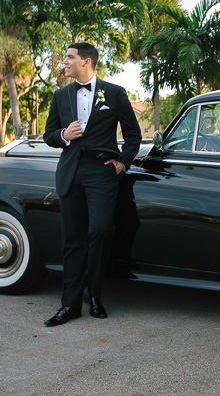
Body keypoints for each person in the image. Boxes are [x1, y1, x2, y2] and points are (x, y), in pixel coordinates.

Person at [43, 42, 142, 327]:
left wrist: (123, 161)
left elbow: (133, 134)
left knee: (100, 231)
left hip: (101, 172)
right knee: (72, 240)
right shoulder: (60, 95)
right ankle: (69, 305)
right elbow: (49, 134)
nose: (65, 62)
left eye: (70, 58)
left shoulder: (114, 93)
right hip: (71, 171)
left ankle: (95, 295)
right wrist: (64, 133)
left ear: (86, 62)